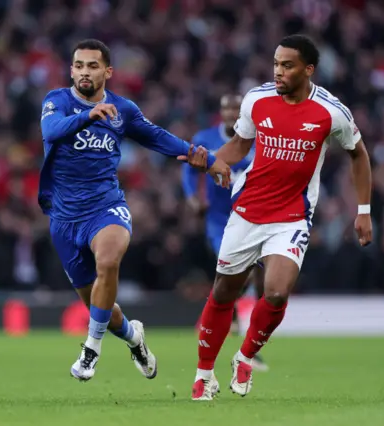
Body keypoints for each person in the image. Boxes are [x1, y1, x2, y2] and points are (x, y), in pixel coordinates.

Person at [181, 34, 373, 400]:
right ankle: (204, 375)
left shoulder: (332, 112)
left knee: (277, 291)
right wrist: (209, 159)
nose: (278, 72)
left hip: (292, 217)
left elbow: (358, 154)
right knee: (223, 291)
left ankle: (245, 357)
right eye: (276, 64)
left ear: (308, 69)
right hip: (247, 212)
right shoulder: (257, 99)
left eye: (287, 65)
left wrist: (363, 211)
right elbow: (239, 144)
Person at [38, 39, 231, 382]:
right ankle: (133, 337)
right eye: (79, 65)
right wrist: (87, 116)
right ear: (71, 70)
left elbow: (156, 137)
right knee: (102, 307)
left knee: (109, 260)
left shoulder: (122, 109)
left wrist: (209, 160)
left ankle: (90, 350)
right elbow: (51, 132)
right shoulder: (57, 102)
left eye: (93, 65)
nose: (85, 71)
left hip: (106, 207)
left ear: (108, 72)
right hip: (64, 219)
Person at [181, 94, 269, 373]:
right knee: (229, 263)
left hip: (253, 216)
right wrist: (192, 198)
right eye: (227, 109)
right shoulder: (206, 138)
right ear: (221, 113)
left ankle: (249, 339)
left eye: (236, 109)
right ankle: (231, 322)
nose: (231, 113)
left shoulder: (258, 139)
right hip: (220, 220)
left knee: (258, 272)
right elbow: (189, 171)